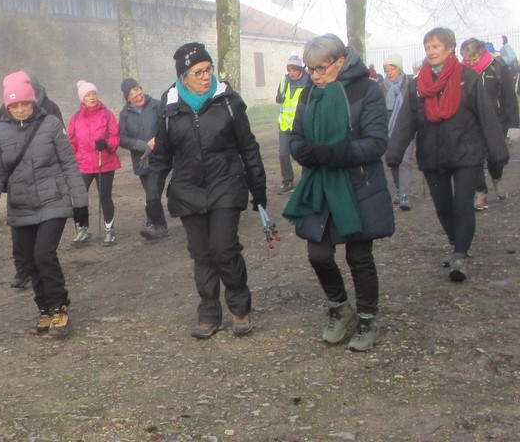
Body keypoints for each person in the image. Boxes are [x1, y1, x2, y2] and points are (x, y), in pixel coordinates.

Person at [147, 43, 267, 339]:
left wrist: (258, 187)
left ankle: (240, 307)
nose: (205, 76)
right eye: (197, 72)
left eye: (208, 69)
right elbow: (161, 156)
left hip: (226, 183)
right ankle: (209, 312)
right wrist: (152, 194)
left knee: (224, 248)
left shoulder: (228, 101)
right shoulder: (169, 107)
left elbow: (248, 147)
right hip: (188, 189)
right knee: (201, 253)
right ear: (183, 77)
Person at [283, 35, 395, 352]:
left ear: (340, 61)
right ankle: (340, 308)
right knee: (317, 254)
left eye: (321, 68)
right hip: (319, 183)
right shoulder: (309, 93)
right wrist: (303, 152)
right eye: (310, 70)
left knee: (359, 256)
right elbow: (295, 136)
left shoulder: (367, 90)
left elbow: (376, 142)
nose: (315, 76)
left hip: (358, 184)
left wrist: (334, 153)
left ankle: (368, 320)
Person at [386, 28, 509, 283]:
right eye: (428, 47)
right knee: (443, 207)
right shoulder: (418, 84)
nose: (431, 52)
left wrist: (497, 153)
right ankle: (455, 243)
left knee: (463, 204)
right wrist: (394, 152)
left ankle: (460, 255)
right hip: (432, 155)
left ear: (450, 48)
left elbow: (486, 116)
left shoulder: (469, 79)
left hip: (466, 154)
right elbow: (406, 121)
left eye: (436, 46)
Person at [0, 71, 88, 339]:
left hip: (53, 200)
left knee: (44, 255)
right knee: (29, 261)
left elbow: (69, 165)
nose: (20, 109)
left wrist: (80, 204)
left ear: (33, 101)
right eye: (14, 105)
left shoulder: (51, 125)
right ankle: (45, 310)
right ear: (7, 106)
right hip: (20, 205)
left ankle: (60, 307)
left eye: (25, 103)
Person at [0, 69, 62, 289]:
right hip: (19, 182)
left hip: (45, 180)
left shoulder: (50, 108)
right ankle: (22, 269)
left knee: (44, 240)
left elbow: (61, 143)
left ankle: (44, 270)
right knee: (19, 233)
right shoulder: (6, 109)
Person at [460, 38, 519, 209]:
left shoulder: (498, 66)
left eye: (474, 58)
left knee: (495, 155)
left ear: (482, 52)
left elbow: (509, 96)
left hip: (496, 118)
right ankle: (480, 192)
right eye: (467, 58)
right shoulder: (461, 71)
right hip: (471, 120)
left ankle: (497, 178)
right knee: (475, 156)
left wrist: (514, 124)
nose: (470, 62)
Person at [67, 80, 121, 246]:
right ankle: (83, 229)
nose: (92, 97)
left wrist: (106, 143)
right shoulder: (75, 118)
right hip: (83, 164)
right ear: (82, 99)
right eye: (87, 95)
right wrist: (67, 160)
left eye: (93, 94)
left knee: (105, 196)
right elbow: (72, 143)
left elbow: (115, 139)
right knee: (80, 197)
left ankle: (109, 230)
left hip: (104, 162)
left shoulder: (107, 115)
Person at [117, 77, 169, 240]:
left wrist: (157, 138)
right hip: (142, 159)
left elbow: (166, 125)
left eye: (139, 93)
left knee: (153, 192)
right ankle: (159, 225)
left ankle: (153, 224)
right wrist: (139, 145)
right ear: (127, 99)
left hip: (160, 156)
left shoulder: (156, 105)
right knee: (151, 193)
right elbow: (121, 138)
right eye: (134, 96)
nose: (139, 97)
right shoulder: (124, 114)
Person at [382, 54, 415, 210]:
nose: (389, 73)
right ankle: (398, 189)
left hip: (407, 128)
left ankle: (405, 195)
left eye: (392, 69)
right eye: (387, 70)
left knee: (405, 160)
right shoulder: (382, 87)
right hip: (388, 130)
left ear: (399, 68)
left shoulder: (409, 84)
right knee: (393, 160)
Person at [275, 54, 310, 195]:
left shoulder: (308, 82)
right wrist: (280, 95)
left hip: (302, 126)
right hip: (284, 124)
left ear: (300, 70)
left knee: (304, 154)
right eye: (289, 70)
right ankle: (287, 181)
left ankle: (305, 182)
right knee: (283, 154)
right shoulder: (284, 80)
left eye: (294, 70)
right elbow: (278, 98)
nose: (291, 73)